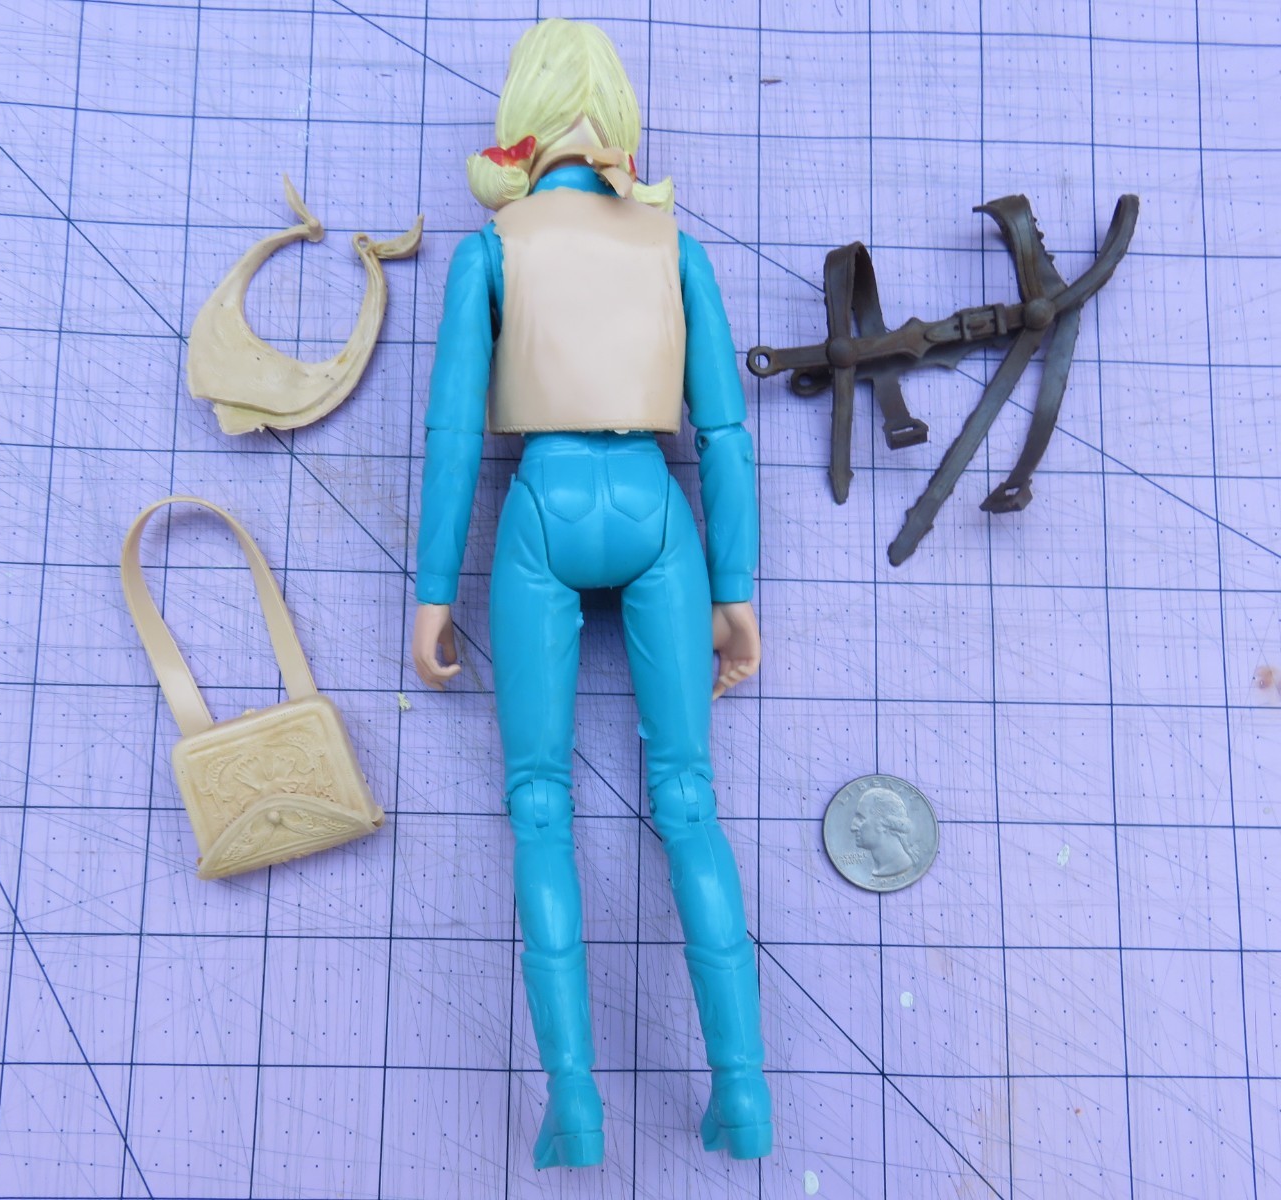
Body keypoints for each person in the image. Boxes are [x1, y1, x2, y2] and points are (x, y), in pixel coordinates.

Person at [407, 19, 772, 1169]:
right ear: (615, 120)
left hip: (544, 506)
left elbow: (453, 435)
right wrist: (734, 587)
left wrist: (431, 590)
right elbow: (724, 433)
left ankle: (573, 1106)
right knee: (689, 801)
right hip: (657, 511)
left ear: (520, 120)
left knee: (537, 804)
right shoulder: (673, 246)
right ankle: (743, 1098)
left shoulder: (492, 250)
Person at [851, 786, 920, 879]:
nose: (853, 828)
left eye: (861, 819)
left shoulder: (899, 866)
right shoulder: (881, 868)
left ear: (883, 823)